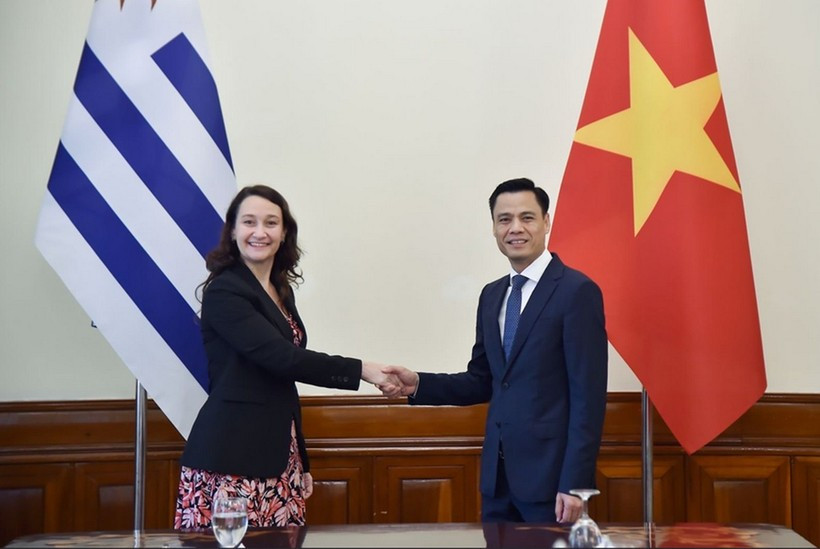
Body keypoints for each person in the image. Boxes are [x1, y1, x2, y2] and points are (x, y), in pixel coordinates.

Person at [381, 178, 608, 523]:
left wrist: (575, 483)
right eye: (504, 219)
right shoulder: (492, 295)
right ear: (493, 227)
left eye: (527, 218)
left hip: (553, 484)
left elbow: (588, 398)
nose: (515, 228)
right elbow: (483, 380)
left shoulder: (577, 291)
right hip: (497, 482)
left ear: (546, 222)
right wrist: (417, 385)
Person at [175, 184, 397, 528]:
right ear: (233, 231)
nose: (259, 232)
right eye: (249, 222)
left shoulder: (280, 290)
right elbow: (282, 359)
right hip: (233, 459)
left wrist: (302, 460)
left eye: (271, 223)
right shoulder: (225, 291)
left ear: (284, 233)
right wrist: (363, 370)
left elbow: (281, 387)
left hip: (279, 456)